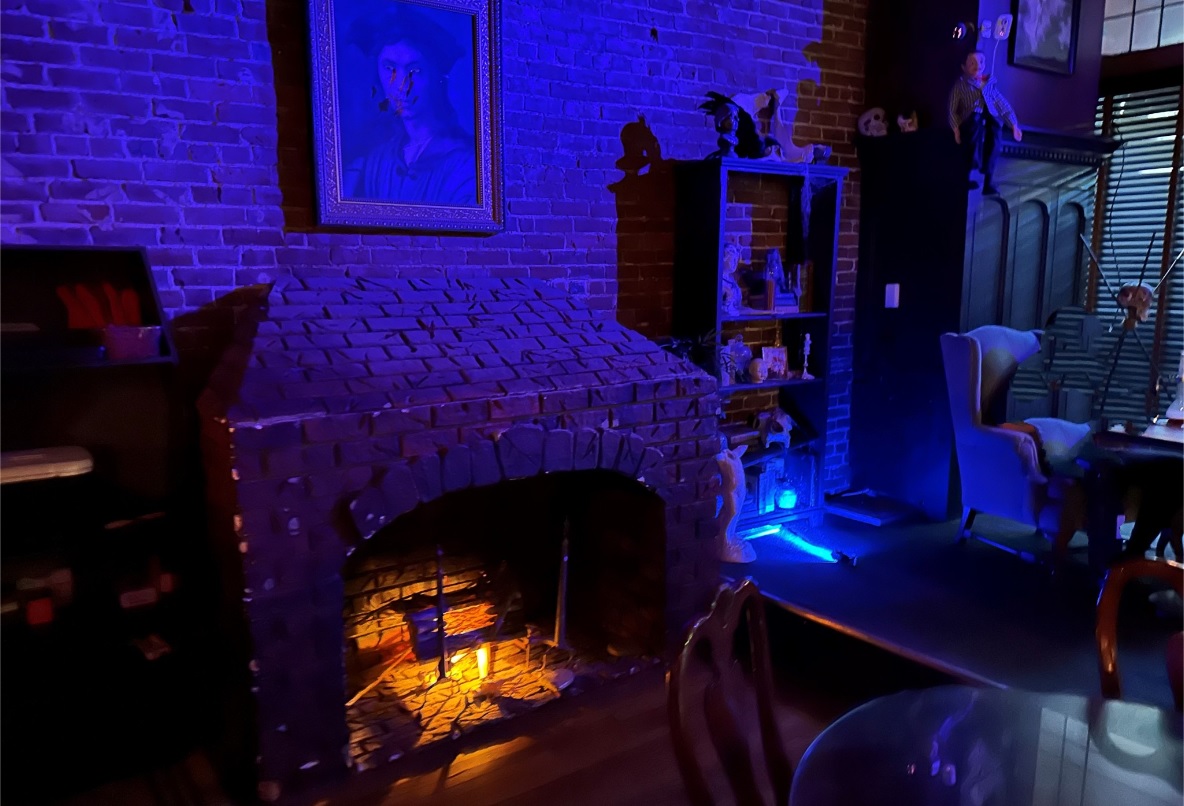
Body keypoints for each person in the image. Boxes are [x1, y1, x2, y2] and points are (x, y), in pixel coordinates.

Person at [345, 5, 477, 206]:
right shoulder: (376, 161)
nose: (401, 86)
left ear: (435, 77)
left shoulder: (465, 163)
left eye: (414, 71)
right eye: (389, 68)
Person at [948, 50, 1022, 197]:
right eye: (972, 63)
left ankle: (988, 182)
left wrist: (1014, 125)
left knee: (994, 138)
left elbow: (1002, 104)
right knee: (973, 133)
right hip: (972, 120)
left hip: (990, 119)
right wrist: (955, 129)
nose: (978, 66)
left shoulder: (989, 85)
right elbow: (952, 109)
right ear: (964, 67)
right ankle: (967, 177)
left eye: (981, 62)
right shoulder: (961, 85)